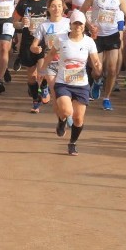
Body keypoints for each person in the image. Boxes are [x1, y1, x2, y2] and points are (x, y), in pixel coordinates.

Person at [45, 10, 102, 155]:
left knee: (78, 118)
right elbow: (51, 54)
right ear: (70, 25)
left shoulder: (89, 41)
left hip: (81, 84)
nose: (77, 26)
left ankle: (72, 143)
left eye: (80, 24)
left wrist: (97, 66)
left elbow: (95, 59)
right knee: (66, 111)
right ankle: (62, 120)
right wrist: (42, 69)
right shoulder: (61, 39)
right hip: (63, 82)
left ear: (84, 26)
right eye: (75, 23)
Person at [81, 0, 126, 110]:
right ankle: (97, 81)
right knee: (97, 70)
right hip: (97, 36)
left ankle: (107, 98)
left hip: (113, 35)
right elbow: (82, 11)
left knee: (112, 69)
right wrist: (89, 25)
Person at [13, 0, 50, 113]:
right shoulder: (24, 2)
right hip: (28, 43)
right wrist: (21, 23)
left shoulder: (49, 1)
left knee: (42, 72)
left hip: (44, 43)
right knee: (32, 76)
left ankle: (45, 86)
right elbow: (14, 22)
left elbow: (57, 18)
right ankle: (35, 100)